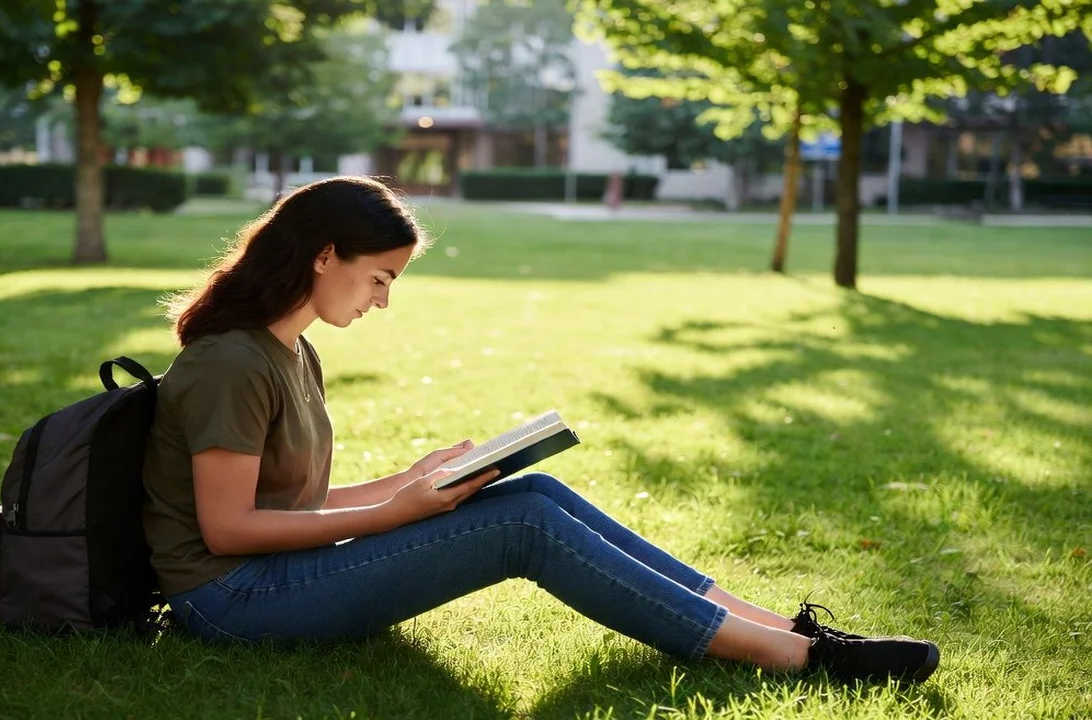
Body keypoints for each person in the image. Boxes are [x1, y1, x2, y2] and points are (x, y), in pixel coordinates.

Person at [141, 176, 939, 684]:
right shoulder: (230, 363)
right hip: (232, 602)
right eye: (380, 278)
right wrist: (394, 514)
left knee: (537, 489)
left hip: (273, 577)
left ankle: (775, 625)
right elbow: (229, 526)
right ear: (324, 256)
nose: (384, 299)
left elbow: (291, 498)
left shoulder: (291, 351)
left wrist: (411, 482)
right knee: (523, 525)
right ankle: (791, 658)